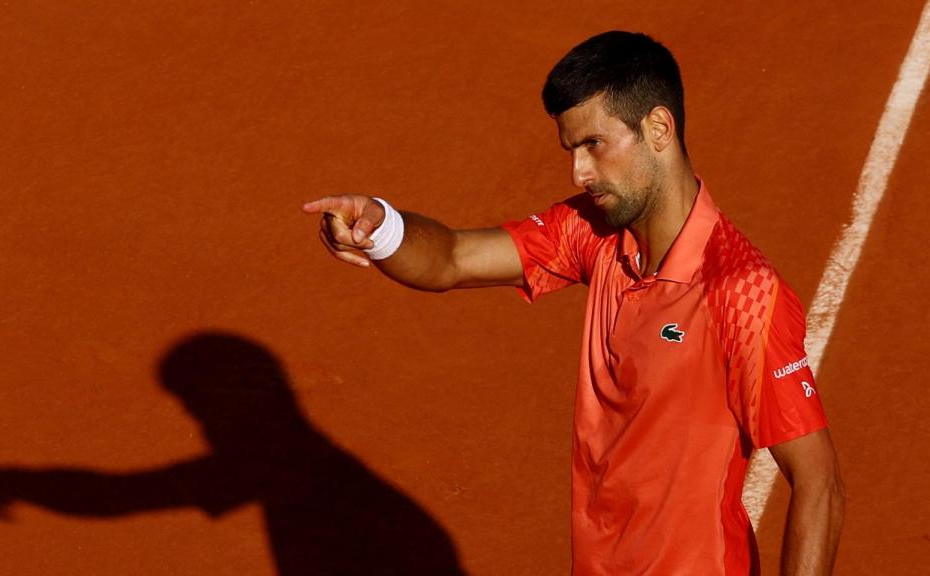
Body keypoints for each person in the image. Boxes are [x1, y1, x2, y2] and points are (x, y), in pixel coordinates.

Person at [302, 31, 845, 575]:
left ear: (658, 129)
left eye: (593, 145)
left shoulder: (741, 292)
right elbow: (452, 258)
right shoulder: (593, 232)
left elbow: (818, 483)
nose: (578, 174)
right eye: (571, 150)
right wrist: (382, 228)